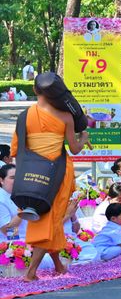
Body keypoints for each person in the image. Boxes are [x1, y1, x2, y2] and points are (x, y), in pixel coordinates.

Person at [14, 80, 90, 280]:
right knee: (48, 220)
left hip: (31, 176)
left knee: (51, 219)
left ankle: (58, 265)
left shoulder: (24, 117)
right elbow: (74, 149)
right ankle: (31, 273)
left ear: (34, 90)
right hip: (56, 174)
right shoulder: (65, 116)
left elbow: (15, 150)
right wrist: (83, 138)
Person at [0, 164, 25, 239]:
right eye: (12, 178)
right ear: (1, 180)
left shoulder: (20, 194)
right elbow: (8, 232)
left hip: (30, 242)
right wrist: (24, 209)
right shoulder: (1, 199)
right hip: (14, 245)